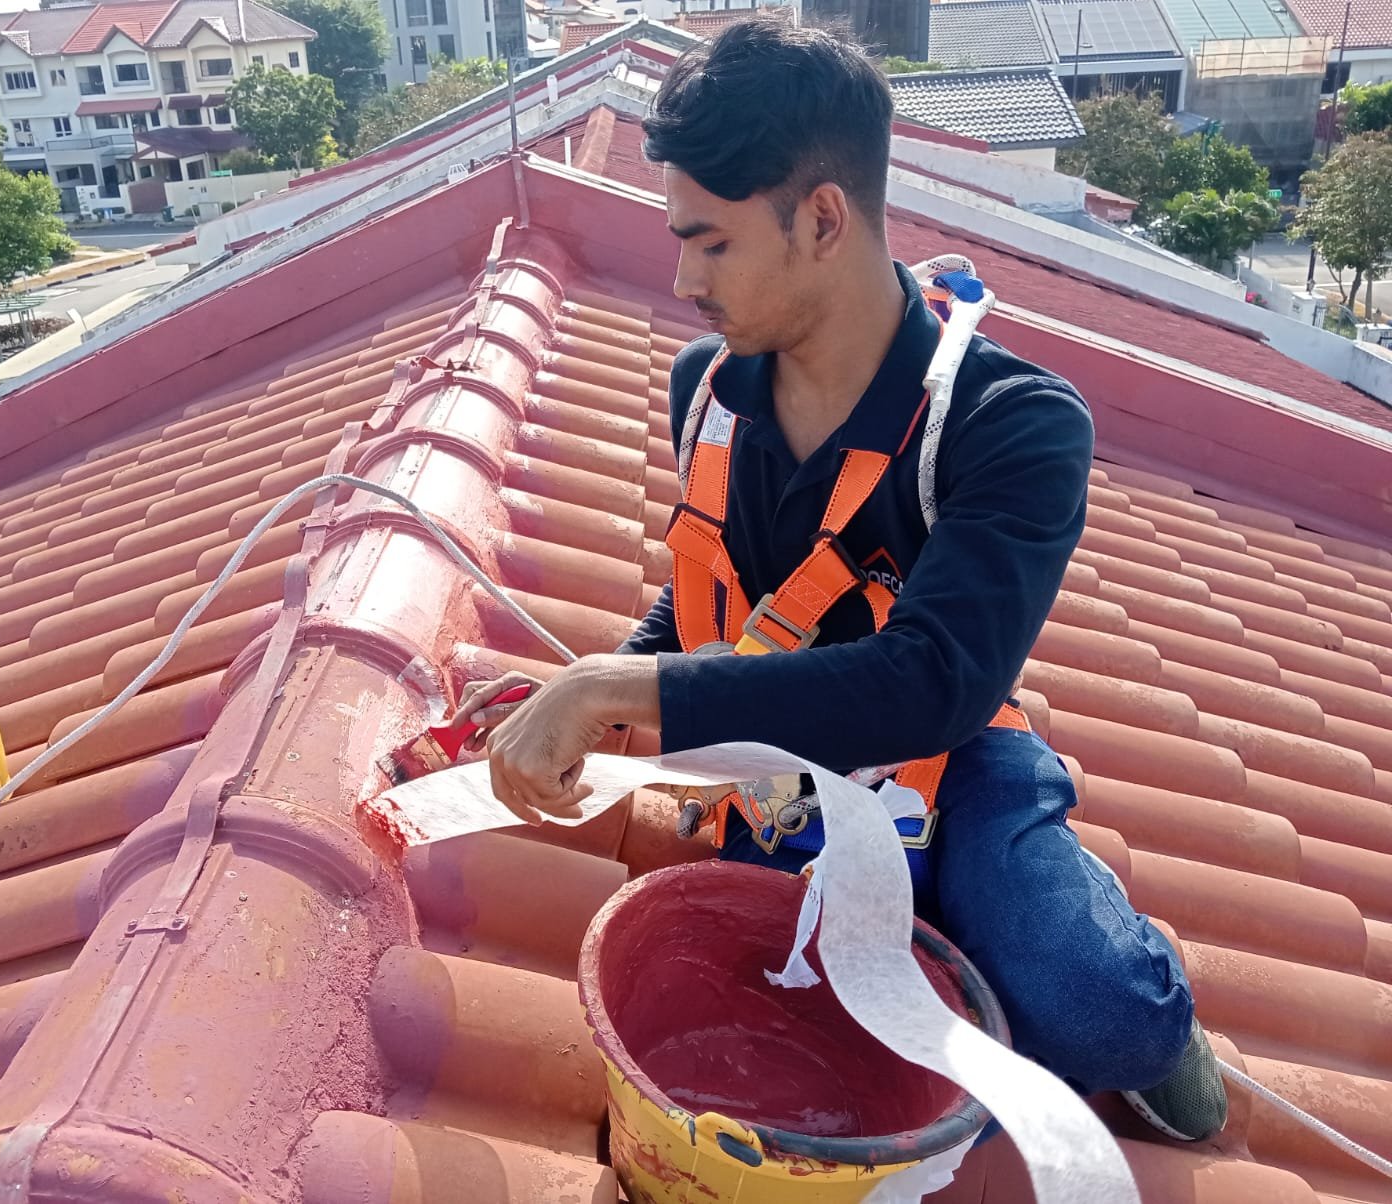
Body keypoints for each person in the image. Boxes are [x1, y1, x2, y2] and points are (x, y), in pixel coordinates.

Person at [450, 18, 1227, 1142]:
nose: (681, 280)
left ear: (821, 218)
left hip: (943, 754)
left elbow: (934, 685)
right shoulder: (708, 391)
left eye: (711, 244)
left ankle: (1143, 993)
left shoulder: (1009, 423)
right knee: (794, 1003)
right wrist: (589, 690)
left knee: (1081, 1012)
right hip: (776, 759)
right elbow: (705, 606)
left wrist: (617, 695)